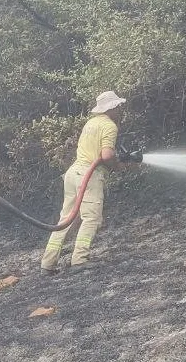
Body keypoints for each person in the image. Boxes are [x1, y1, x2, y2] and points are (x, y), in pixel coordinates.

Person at [40, 90, 127, 274]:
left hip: (73, 173)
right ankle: (79, 260)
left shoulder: (91, 122)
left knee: (66, 220)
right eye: (118, 106)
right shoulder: (109, 126)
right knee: (92, 218)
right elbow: (106, 155)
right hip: (89, 175)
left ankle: (47, 264)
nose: (120, 109)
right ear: (111, 108)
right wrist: (117, 166)